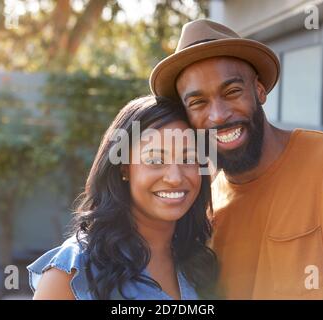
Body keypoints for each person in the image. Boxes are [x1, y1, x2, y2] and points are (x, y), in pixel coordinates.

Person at [149, 19, 323, 299]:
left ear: (259, 90)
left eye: (232, 92)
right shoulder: (204, 212)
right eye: (198, 102)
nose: (218, 115)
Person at [27, 95, 218, 300]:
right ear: (124, 168)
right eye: (155, 159)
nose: (174, 177)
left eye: (189, 159)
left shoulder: (201, 259)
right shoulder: (73, 272)